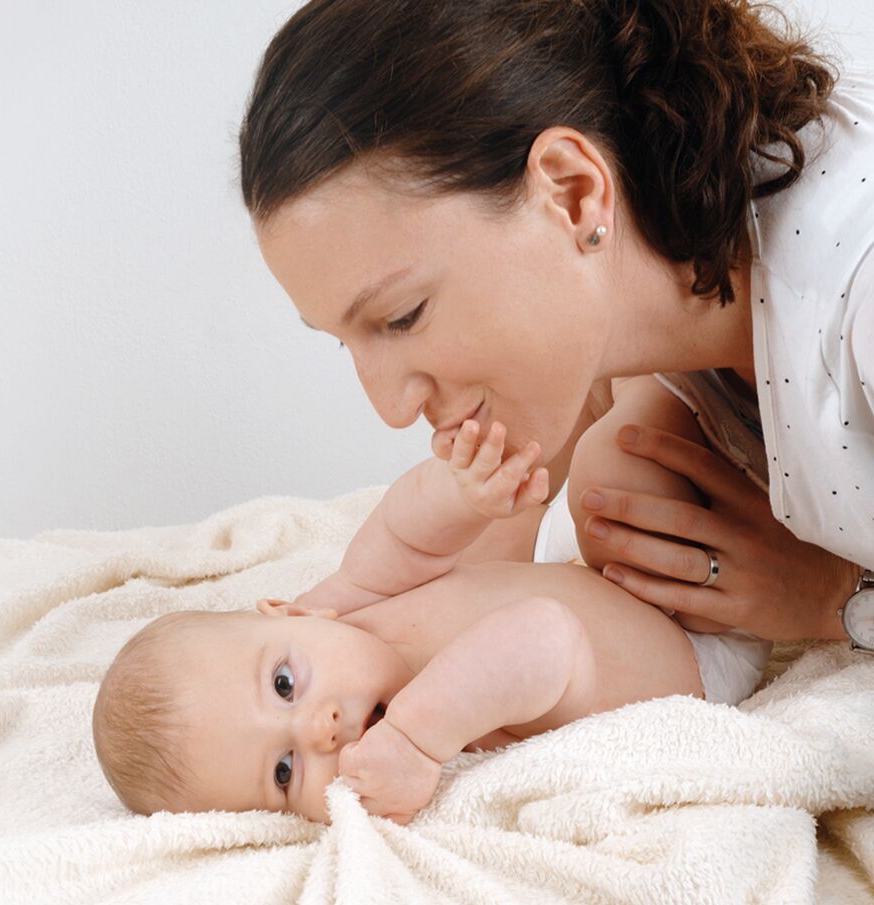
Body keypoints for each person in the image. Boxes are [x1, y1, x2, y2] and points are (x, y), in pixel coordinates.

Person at [235, 0, 874, 643]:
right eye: (345, 343)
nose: (392, 410)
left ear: (571, 191)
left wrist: (834, 600)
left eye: (403, 316)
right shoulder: (639, 301)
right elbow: (465, 582)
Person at [92, 419, 712, 824]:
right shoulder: (436, 727)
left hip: (578, 567)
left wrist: (459, 493)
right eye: (285, 772)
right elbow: (547, 636)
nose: (320, 729)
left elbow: (402, 529)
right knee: (616, 462)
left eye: (284, 684)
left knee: (504, 516)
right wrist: (417, 742)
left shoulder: (343, 605)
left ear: (292, 611)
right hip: (688, 637)